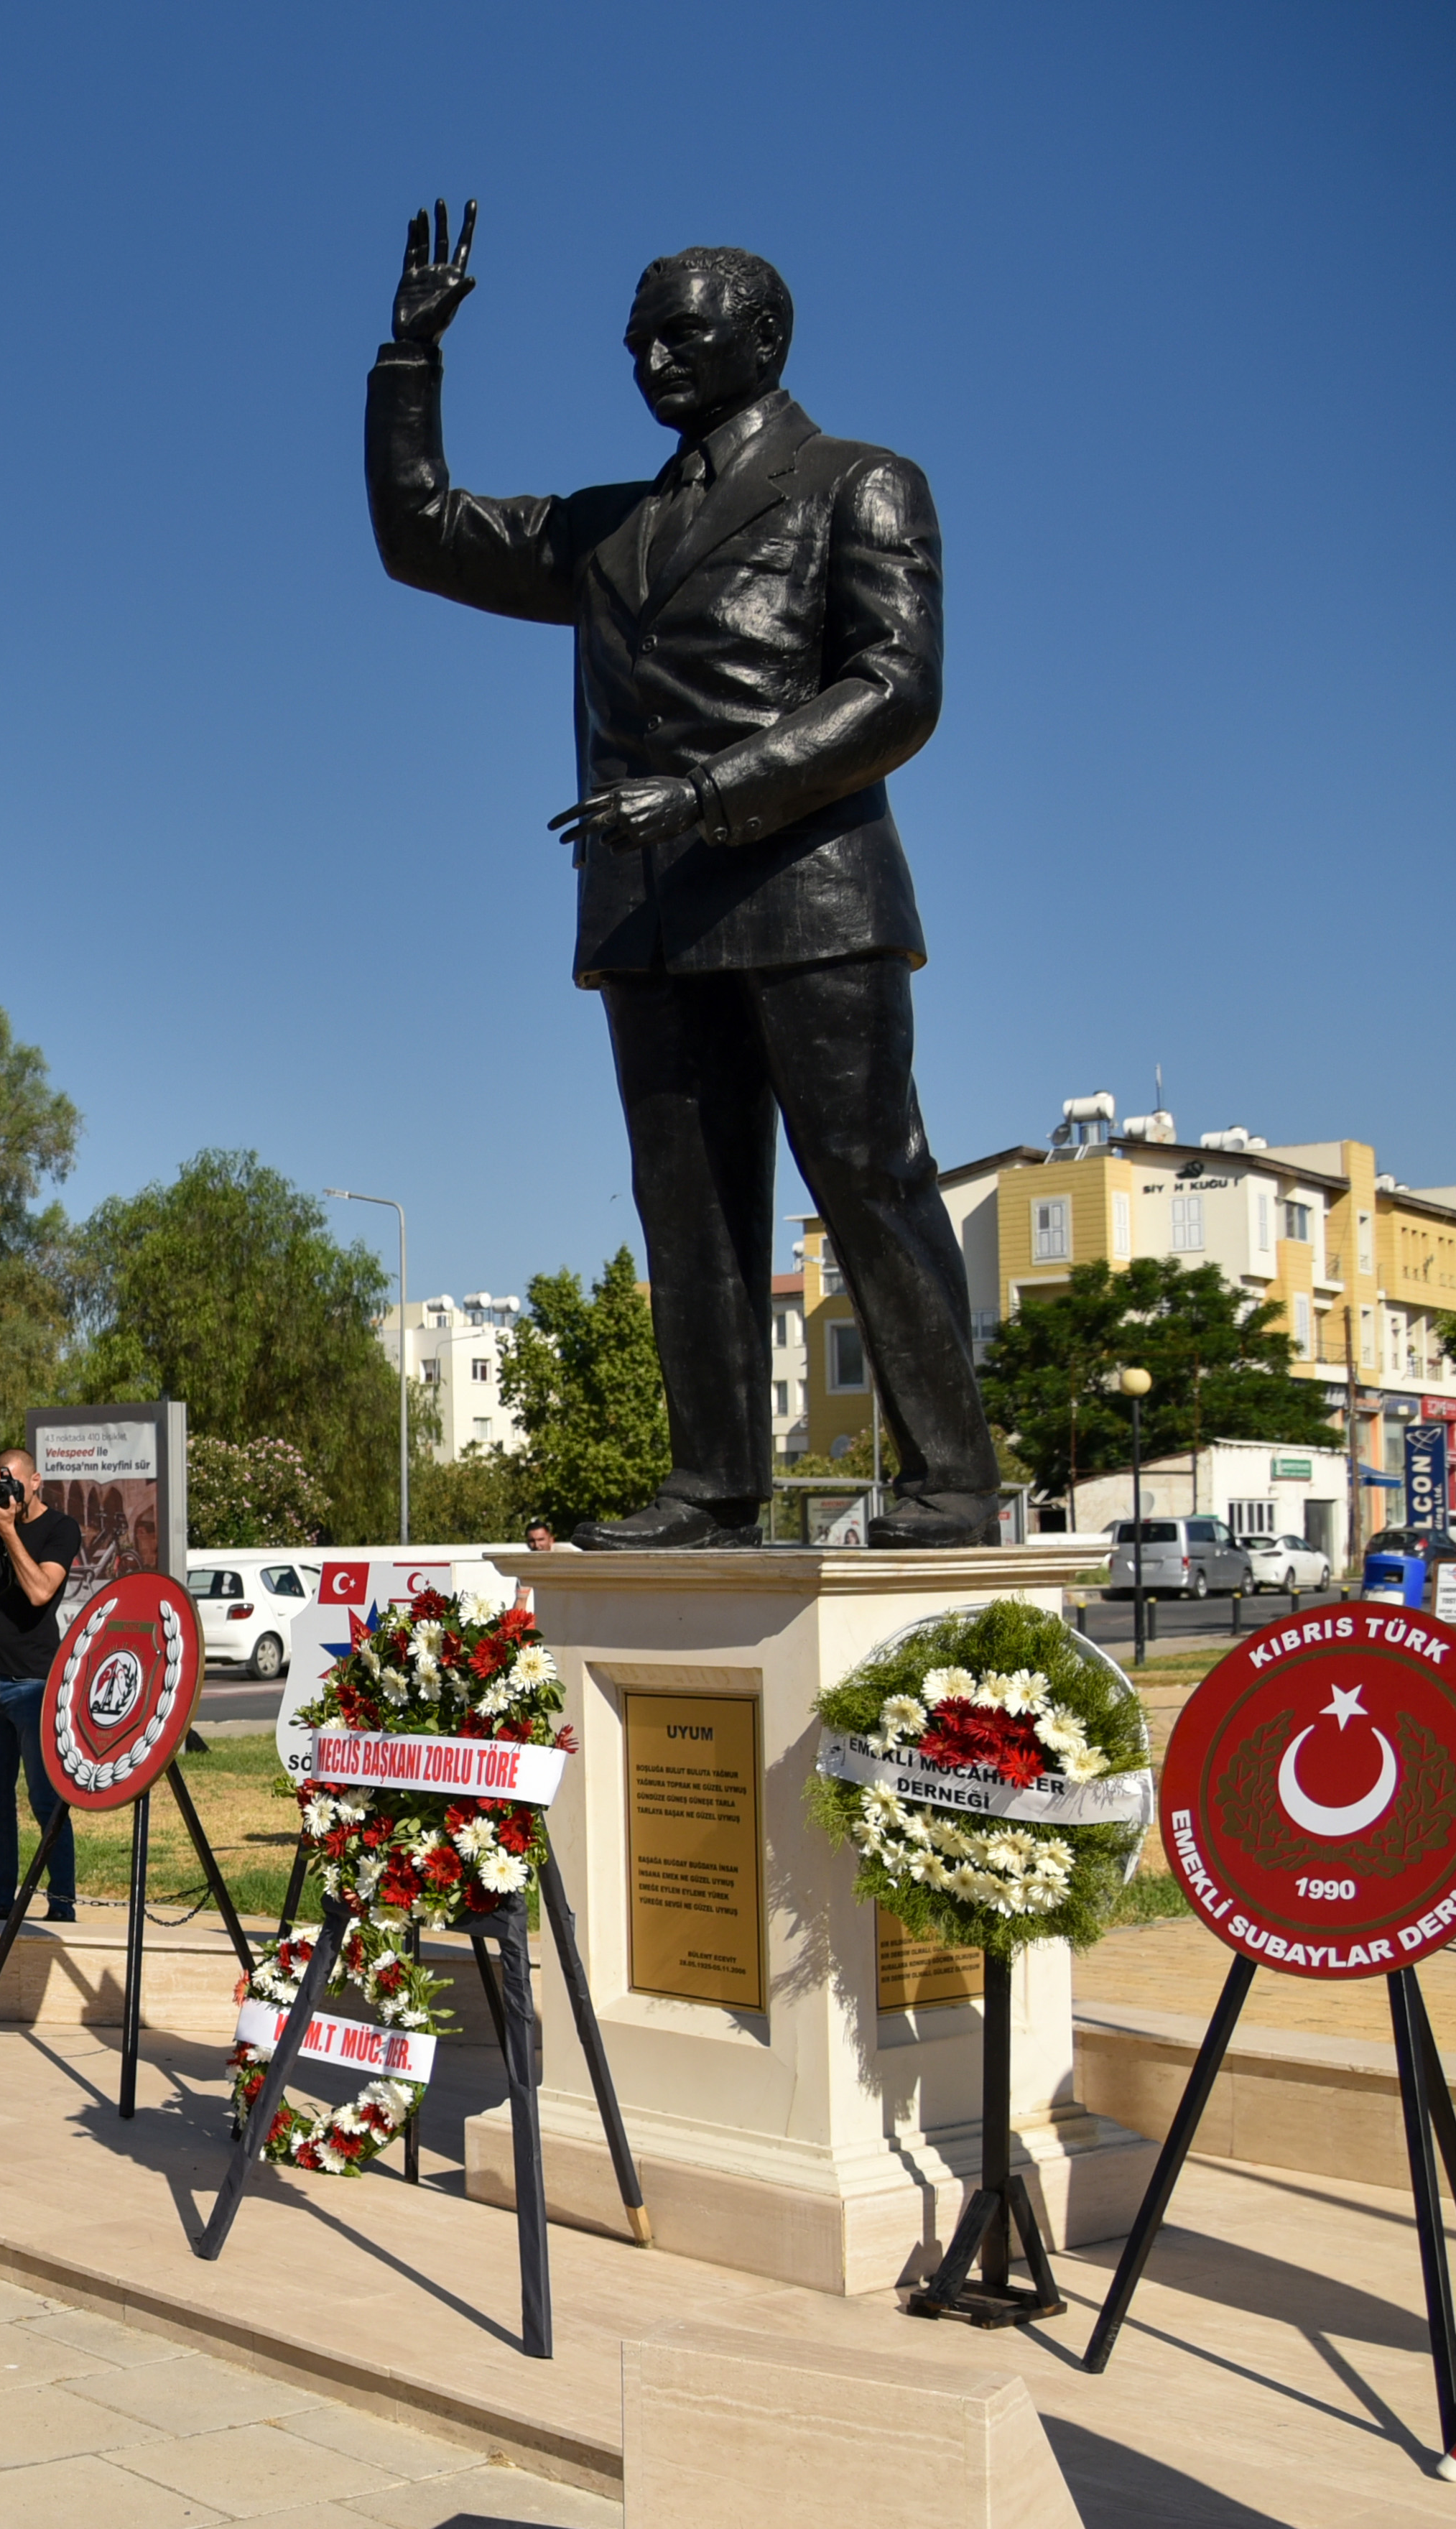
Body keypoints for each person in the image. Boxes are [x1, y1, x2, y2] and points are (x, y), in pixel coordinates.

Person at [365, 212, 998, 1550]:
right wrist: (408, 363)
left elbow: (896, 689)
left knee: (868, 1179)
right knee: (688, 1213)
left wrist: (711, 794)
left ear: (764, 339)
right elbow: (422, 535)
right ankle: (714, 1486)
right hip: (650, 915)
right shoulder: (612, 528)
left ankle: (950, 1479)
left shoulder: (860, 483)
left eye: (680, 334)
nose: (651, 360)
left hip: (813, 892)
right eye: (636, 342)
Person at [0, 1448, 83, 1925]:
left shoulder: (61, 1528)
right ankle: (0, 1899)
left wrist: (7, 1532)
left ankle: (61, 1903)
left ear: (36, 1481)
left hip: (36, 1682)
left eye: (11, 1479)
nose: (5, 1487)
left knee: (45, 1800)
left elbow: (41, 1590)